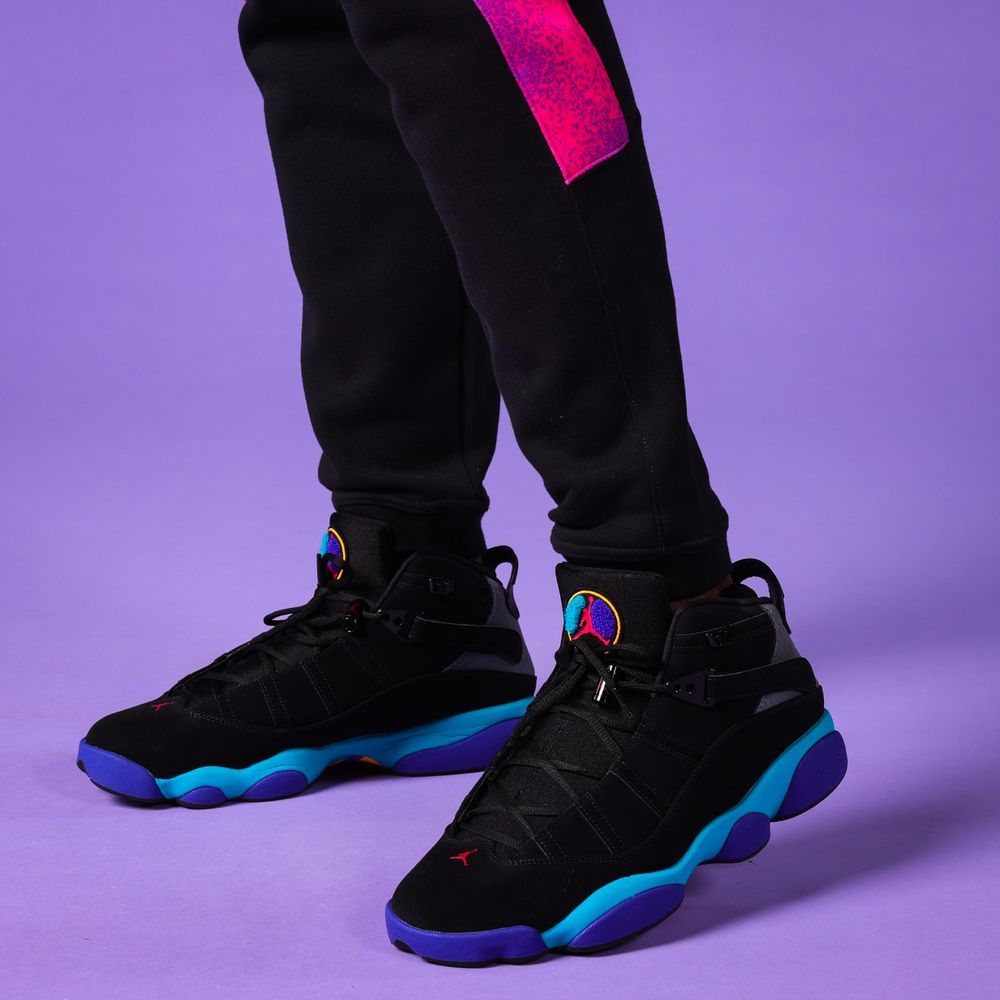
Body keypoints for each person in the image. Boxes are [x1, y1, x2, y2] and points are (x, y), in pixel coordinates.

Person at [77, 0, 846, 964]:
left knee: (485, 10)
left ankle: (679, 622)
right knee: (319, 23)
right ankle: (413, 596)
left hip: (680, 632)